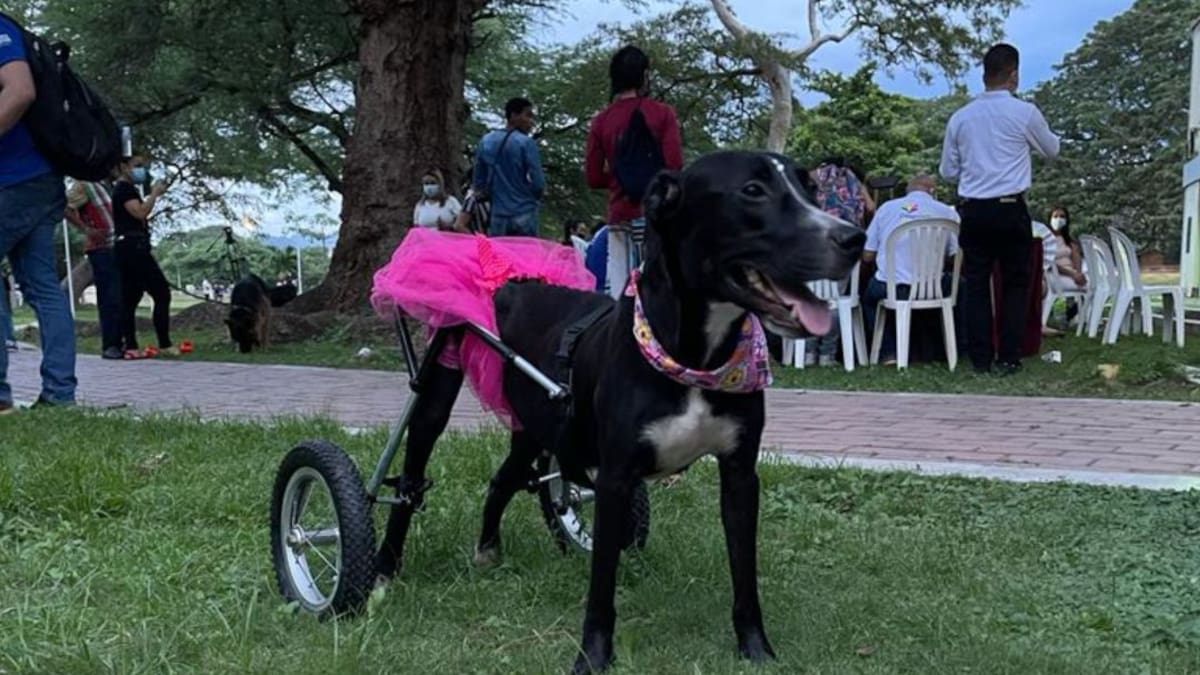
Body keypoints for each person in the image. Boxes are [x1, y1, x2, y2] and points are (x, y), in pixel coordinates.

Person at [939, 43, 1060, 375]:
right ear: (1014, 74)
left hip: (974, 210)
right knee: (1015, 284)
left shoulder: (961, 117)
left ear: (984, 75)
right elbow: (1051, 149)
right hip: (1010, 208)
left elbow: (948, 171)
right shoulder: (1025, 113)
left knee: (977, 283)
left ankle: (980, 358)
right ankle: (1009, 355)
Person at [0, 14, 78, 412]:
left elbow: (20, 91)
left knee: (42, 289)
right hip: (40, 178)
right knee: (43, 288)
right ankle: (60, 394)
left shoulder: (1, 31)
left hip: (15, 182)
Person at [585, 45, 684, 299]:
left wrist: (620, 177)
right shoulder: (663, 114)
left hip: (620, 217)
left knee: (621, 294)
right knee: (660, 293)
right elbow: (674, 166)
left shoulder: (601, 121)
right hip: (657, 216)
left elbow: (594, 177)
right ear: (644, 76)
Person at [862, 174, 961, 365]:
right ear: (933, 192)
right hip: (933, 290)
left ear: (908, 189)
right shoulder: (947, 213)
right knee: (960, 288)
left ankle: (888, 352)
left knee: (869, 298)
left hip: (891, 287)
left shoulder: (886, 208)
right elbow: (956, 256)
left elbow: (867, 256)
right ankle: (942, 350)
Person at [112, 155, 174, 358]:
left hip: (130, 246)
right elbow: (139, 213)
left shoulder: (127, 190)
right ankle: (164, 343)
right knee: (161, 292)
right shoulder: (124, 190)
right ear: (124, 167)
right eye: (137, 166)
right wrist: (154, 194)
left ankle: (130, 345)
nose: (142, 171)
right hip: (133, 248)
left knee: (130, 298)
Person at [65, 179, 124, 359]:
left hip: (118, 246)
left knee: (121, 296)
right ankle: (110, 344)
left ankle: (122, 341)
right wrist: (86, 229)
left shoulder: (105, 184)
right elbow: (65, 207)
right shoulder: (83, 184)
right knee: (109, 297)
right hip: (101, 248)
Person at [472, 97, 545, 237]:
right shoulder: (526, 143)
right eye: (528, 115)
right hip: (525, 211)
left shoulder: (486, 141)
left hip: (498, 215)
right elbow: (538, 183)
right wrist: (533, 196)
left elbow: (478, 182)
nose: (531, 122)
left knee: (500, 257)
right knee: (525, 257)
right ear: (513, 115)